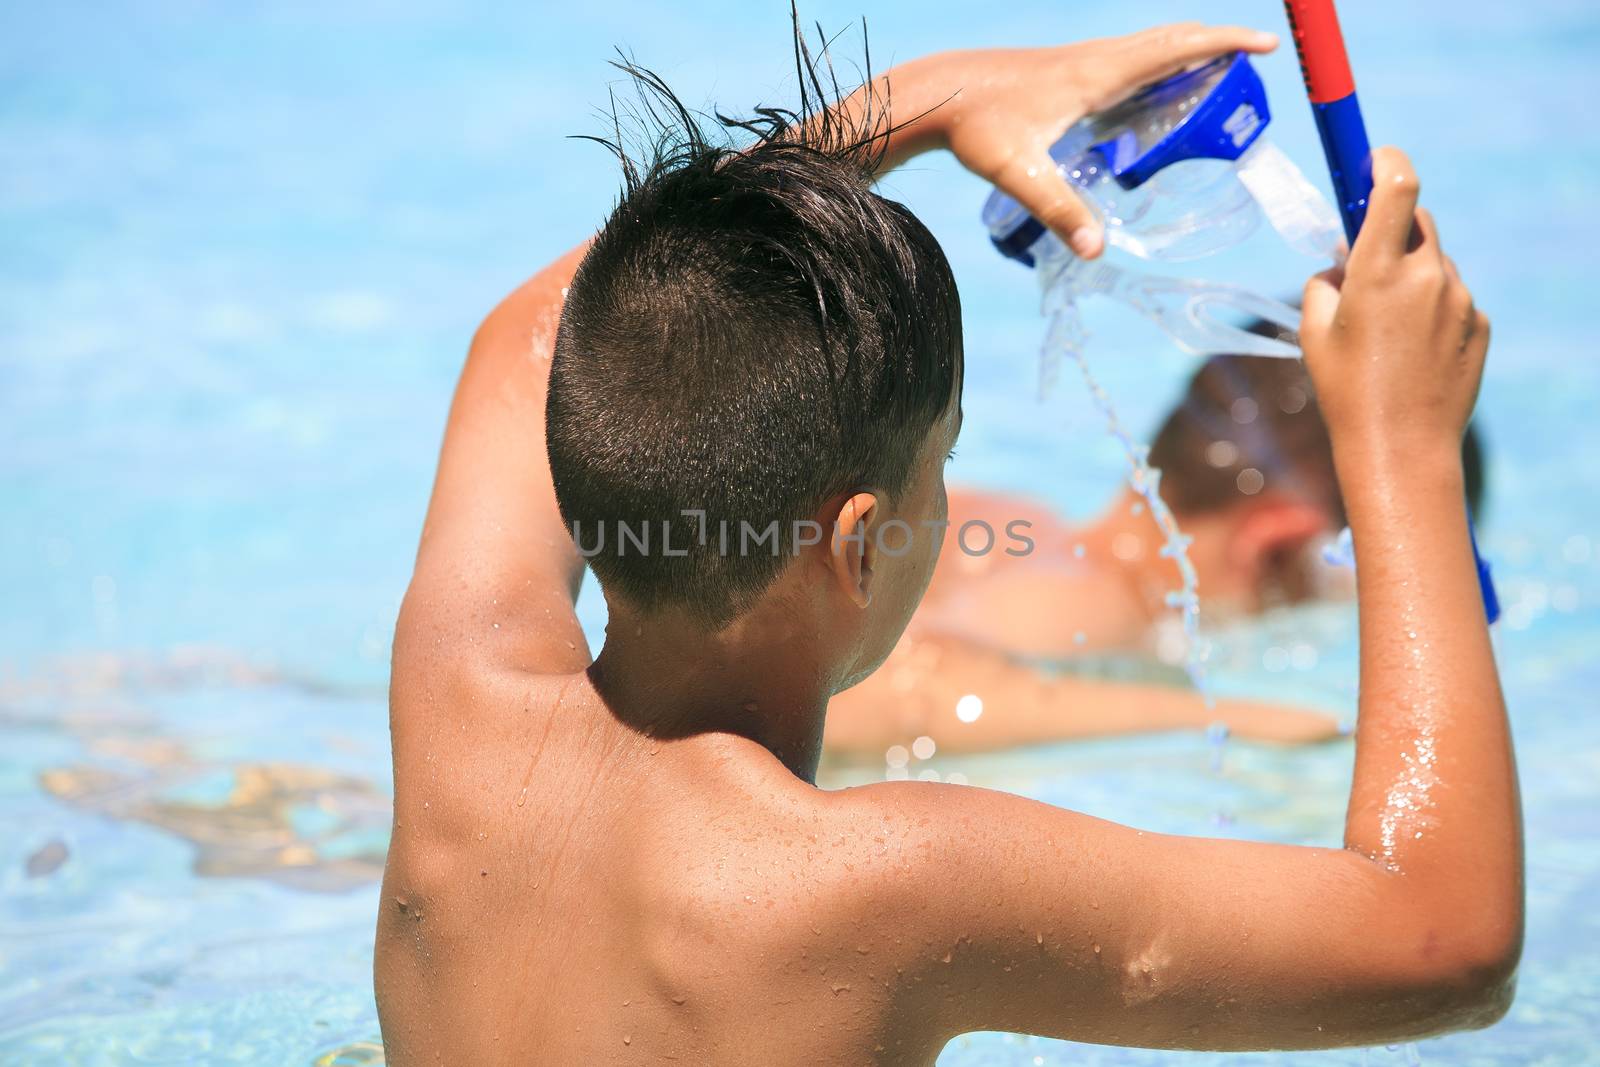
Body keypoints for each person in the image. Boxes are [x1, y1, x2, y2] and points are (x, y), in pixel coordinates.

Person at [375, 20, 1520, 1064]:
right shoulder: (873, 886)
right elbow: (1444, 936)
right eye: (945, 458)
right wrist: (1401, 444)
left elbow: (530, 341)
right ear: (859, 546)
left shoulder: (459, 700)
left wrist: (928, 104)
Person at [825, 354, 1488, 753]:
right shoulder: (1101, 610)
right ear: (1278, 545)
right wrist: (1224, 716)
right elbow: (869, 694)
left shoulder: (1008, 517)